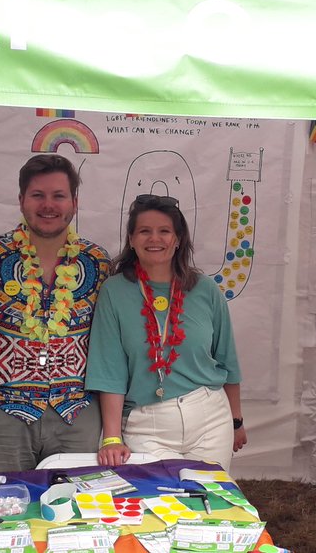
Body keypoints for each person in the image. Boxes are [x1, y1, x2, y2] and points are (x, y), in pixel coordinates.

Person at [0, 154, 110, 472]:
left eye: (58, 196)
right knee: (4, 512)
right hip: (2, 414)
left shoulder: (97, 263)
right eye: (38, 195)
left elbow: (114, 341)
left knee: (73, 515)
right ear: (21, 200)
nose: (48, 205)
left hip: (78, 414)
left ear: (74, 201)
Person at [86, 194, 247, 471]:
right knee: (158, 507)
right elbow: (109, 369)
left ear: (178, 239)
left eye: (164, 231)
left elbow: (226, 360)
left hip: (209, 419)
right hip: (146, 425)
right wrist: (112, 437)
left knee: (209, 505)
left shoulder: (205, 289)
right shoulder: (114, 292)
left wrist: (236, 421)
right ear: (132, 240)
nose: (154, 239)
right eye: (144, 231)